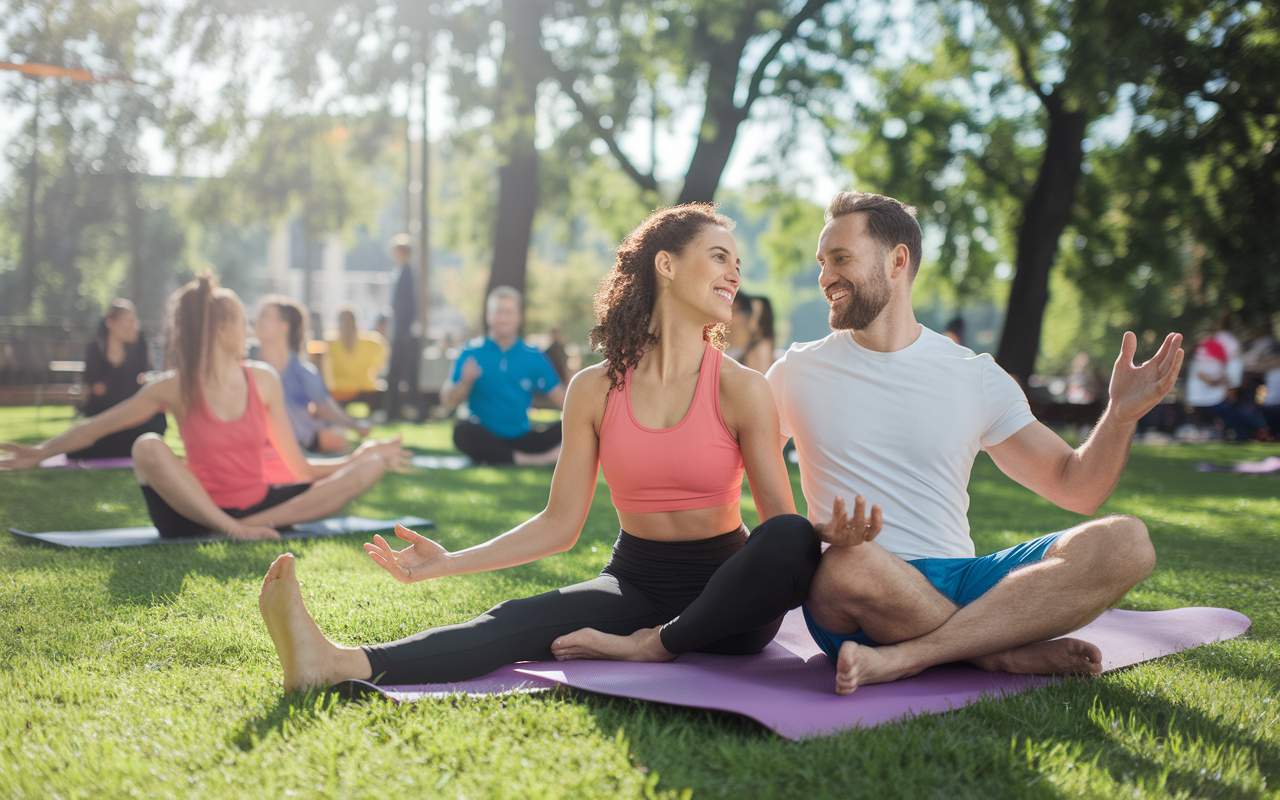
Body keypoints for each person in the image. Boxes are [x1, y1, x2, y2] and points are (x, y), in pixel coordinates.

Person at [255, 204, 837, 691]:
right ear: (666, 264)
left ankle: (651, 648)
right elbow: (560, 525)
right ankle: (336, 664)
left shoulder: (742, 389)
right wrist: (448, 564)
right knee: (518, 618)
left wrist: (835, 544)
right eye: (719, 257)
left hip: (727, 600)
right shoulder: (593, 389)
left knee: (791, 535)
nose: (734, 274)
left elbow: (778, 539)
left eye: (738, 264)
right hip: (635, 581)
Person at [767, 191, 1183, 695]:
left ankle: (920, 655)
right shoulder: (794, 371)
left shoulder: (973, 375)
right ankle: (997, 649)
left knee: (1128, 541)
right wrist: (815, 531)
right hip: (863, 588)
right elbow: (742, 481)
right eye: (822, 262)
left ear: (897, 260)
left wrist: (1120, 415)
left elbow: (1078, 489)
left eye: (840, 258)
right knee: (844, 568)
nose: (825, 276)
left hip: (965, 580)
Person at [0, 274, 411, 539]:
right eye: (240, 319)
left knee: (370, 468)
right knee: (146, 446)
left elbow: (298, 468)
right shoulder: (175, 386)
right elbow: (97, 426)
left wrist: (360, 455)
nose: (248, 328)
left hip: (260, 505)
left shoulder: (262, 378)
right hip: (190, 513)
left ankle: (243, 527)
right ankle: (231, 529)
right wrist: (39, 452)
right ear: (219, 327)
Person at [441, 286, 566, 466]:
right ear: (489, 316)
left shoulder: (534, 356)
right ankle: (534, 460)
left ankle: (512, 457)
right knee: (461, 431)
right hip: (484, 436)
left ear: (519, 317)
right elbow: (447, 401)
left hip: (522, 437)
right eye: (499, 312)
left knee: (569, 426)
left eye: (509, 312)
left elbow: (562, 399)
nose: (504, 318)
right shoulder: (470, 353)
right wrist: (465, 383)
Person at [253, 295, 371, 454]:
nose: (257, 321)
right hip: (256, 445)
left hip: (298, 446)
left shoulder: (302, 373)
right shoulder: (245, 363)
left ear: (284, 326)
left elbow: (328, 409)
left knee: (337, 440)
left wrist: (355, 426)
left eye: (265, 315)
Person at [67, 299, 167, 459]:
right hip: (105, 415)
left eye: (136, 321)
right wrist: (115, 365)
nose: (136, 326)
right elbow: (98, 390)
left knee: (156, 424)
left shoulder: (140, 343)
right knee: (79, 447)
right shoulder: (96, 348)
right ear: (110, 322)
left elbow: (144, 378)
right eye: (130, 321)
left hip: (133, 415)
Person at [1186, 314, 1267, 441]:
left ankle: (1251, 432)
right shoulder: (1224, 342)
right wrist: (1228, 386)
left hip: (1216, 391)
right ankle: (1251, 432)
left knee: (1232, 412)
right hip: (1214, 392)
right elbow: (1227, 369)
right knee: (1232, 412)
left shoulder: (1217, 342)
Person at [384, 234, 421, 421]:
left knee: (401, 372)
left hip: (402, 332)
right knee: (395, 372)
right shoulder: (399, 271)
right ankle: (392, 411)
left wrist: (405, 330)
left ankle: (398, 411)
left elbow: (410, 303)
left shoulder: (407, 272)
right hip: (397, 330)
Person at [325, 305, 389, 411]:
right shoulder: (373, 341)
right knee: (380, 386)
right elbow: (379, 365)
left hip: (336, 388)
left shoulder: (328, 341)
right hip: (364, 388)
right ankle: (376, 414)